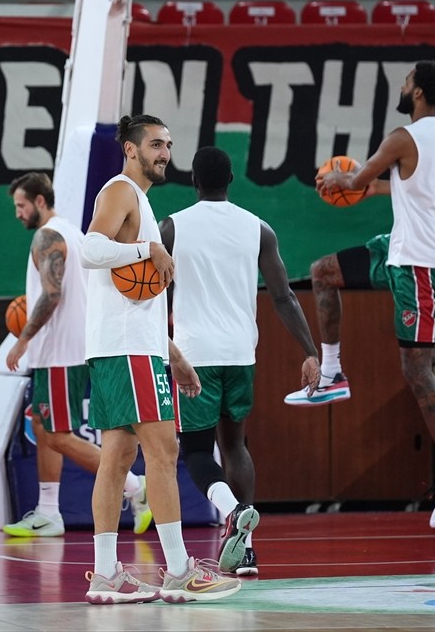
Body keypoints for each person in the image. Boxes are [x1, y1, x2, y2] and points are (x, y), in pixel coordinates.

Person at [285, 61, 435, 528]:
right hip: (400, 250)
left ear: (418, 92)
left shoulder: (402, 136)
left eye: (407, 79)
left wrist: (339, 181)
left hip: (421, 265)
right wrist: (371, 190)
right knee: (323, 272)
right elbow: (411, 184)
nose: (402, 84)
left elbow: (351, 179)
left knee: (416, 371)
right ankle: (332, 373)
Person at [79, 115, 240, 604]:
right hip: (126, 351)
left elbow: (135, 300)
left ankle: (106, 573)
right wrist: (148, 247)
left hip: (126, 346)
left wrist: (175, 355)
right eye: (154, 144)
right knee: (165, 452)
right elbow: (89, 247)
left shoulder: (141, 201)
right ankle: (179, 571)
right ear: (130, 149)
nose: (164, 152)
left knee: (117, 459)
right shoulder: (121, 189)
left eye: (168, 144)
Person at [160, 146, 319, 577]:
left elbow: (154, 295)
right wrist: (310, 350)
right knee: (235, 446)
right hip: (239, 353)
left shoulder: (172, 227)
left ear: (193, 181)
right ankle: (245, 549)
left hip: (194, 356)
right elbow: (283, 297)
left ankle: (231, 512)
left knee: (194, 450)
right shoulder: (259, 229)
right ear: (231, 180)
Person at [2, 172, 152, 539]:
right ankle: (49, 511)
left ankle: (137, 487)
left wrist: (22, 340)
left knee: (55, 434)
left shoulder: (48, 235)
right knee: (41, 427)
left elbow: (51, 296)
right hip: (75, 345)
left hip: (59, 350)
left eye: (21, 205)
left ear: (39, 201)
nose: (18, 214)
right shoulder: (73, 230)